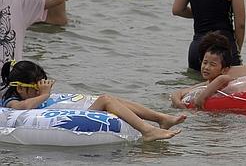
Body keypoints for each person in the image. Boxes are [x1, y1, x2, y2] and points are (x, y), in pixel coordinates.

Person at [0, 60, 185, 141]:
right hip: (67, 118)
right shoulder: (10, 101)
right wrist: (45, 95)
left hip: (70, 111)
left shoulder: (28, 94)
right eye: (36, 88)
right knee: (106, 99)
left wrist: (41, 94)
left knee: (112, 99)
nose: (41, 90)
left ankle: (160, 118)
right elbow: (21, 107)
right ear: (21, 88)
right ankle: (148, 130)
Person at [170, 31, 246, 108]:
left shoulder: (225, 78)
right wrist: (178, 103)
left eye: (212, 64)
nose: (206, 67)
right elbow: (179, 92)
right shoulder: (207, 83)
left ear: (224, 69)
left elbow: (224, 78)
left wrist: (202, 97)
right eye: (204, 62)